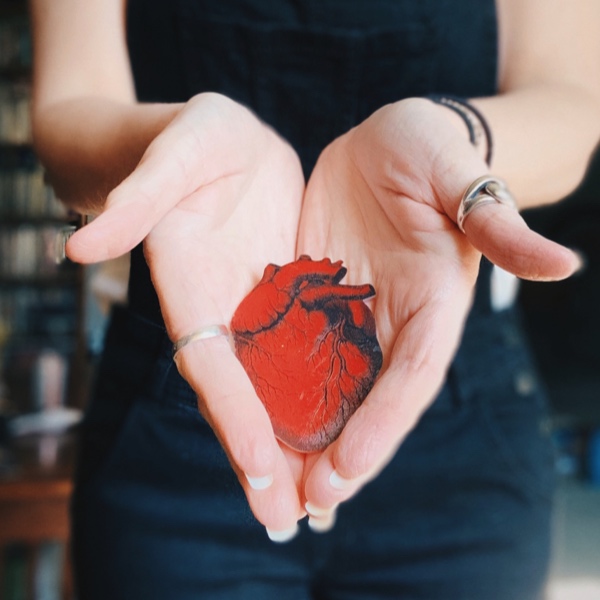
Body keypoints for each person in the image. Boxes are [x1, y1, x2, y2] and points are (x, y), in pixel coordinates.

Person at [29, 0, 600, 598]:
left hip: (455, 408)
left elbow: (571, 103)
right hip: (177, 389)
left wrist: (456, 137)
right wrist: (170, 148)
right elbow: (68, 108)